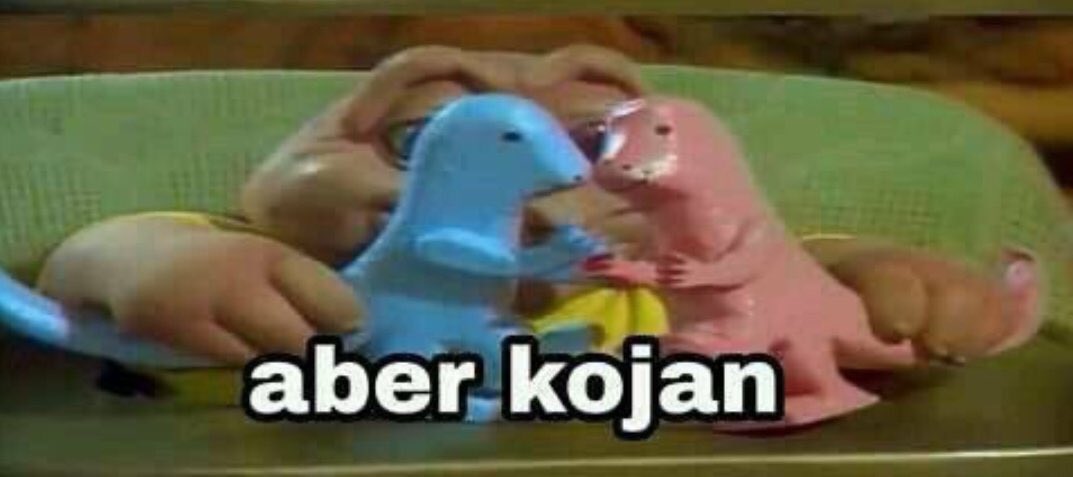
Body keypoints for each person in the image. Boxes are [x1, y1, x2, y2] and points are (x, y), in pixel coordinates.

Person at [35, 44, 1023, 368]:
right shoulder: (272, 254)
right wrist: (153, 265)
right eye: (420, 142)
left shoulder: (675, 280)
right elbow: (86, 262)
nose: (534, 197)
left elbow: (805, 277)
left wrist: (894, 283)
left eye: (595, 149)